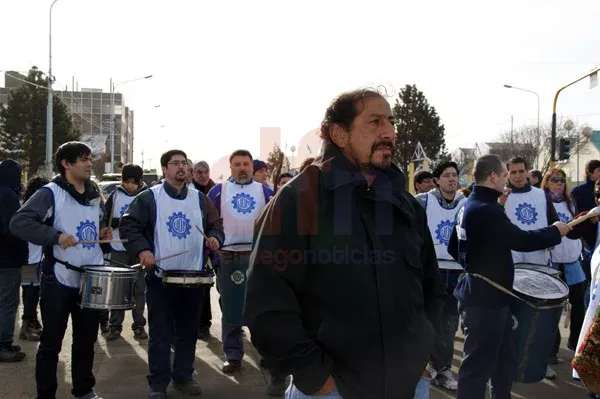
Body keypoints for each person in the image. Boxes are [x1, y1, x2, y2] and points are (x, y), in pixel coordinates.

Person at [245, 88, 447, 399]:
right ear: (339, 134)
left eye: (390, 122)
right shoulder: (299, 201)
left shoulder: (405, 205)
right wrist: (316, 378)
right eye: (375, 122)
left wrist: (431, 354)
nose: (389, 132)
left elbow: (432, 289)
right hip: (333, 390)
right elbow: (268, 304)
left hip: (410, 384)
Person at [447, 154, 571, 399]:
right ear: (493, 177)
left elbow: (454, 247)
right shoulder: (485, 210)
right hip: (484, 303)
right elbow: (520, 240)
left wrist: (478, 265)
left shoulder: (475, 205)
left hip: (494, 299)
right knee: (477, 368)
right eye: (505, 174)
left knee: (504, 363)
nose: (508, 179)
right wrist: (555, 231)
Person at [10, 142, 113, 399]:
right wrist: (55, 236)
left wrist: (103, 234)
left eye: (90, 158)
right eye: (83, 159)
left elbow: (92, 226)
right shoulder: (50, 193)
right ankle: (46, 395)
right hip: (58, 278)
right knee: (51, 343)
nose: (90, 163)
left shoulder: (94, 193)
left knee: (86, 341)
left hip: (90, 277)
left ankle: (83, 390)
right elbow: (19, 222)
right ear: (66, 164)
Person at [119, 149, 224, 399]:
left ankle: (183, 377)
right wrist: (142, 250)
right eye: (174, 163)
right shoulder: (149, 198)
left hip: (194, 278)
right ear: (164, 169)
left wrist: (214, 239)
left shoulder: (200, 199)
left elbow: (215, 225)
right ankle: (158, 383)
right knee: (160, 334)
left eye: (184, 163)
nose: (181, 167)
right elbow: (129, 225)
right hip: (161, 278)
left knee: (188, 332)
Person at [206, 150, 274, 375]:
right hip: (227, 258)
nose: (242, 168)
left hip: (257, 258)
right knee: (231, 309)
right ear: (231, 167)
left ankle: (265, 352)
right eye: (238, 164)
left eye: (246, 164)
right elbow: (210, 223)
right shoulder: (218, 191)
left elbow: (275, 224)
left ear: (252, 167)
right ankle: (233, 355)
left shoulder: (265, 191)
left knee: (260, 308)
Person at [414, 161, 465, 393]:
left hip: (455, 273)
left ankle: (442, 369)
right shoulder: (422, 202)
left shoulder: (466, 204)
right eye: (446, 175)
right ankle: (419, 366)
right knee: (423, 322)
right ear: (436, 180)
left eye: (454, 175)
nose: (452, 179)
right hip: (428, 272)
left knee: (448, 324)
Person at [102, 164, 148, 341]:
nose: (129, 185)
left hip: (138, 249)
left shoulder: (146, 197)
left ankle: (139, 325)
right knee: (118, 288)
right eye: (126, 181)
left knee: (139, 289)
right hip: (118, 247)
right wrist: (111, 224)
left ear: (139, 181)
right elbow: (104, 218)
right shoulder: (115, 195)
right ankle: (115, 325)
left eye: (133, 182)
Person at [0, 159, 28, 362]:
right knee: (8, 303)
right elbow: (13, 229)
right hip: (7, 259)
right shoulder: (8, 196)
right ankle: (4, 345)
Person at [19, 176, 50, 342]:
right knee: (30, 292)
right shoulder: (29, 209)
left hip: (36, 257)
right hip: (30, 258)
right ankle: (27, 324)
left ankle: (32, 321)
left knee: (33, 291)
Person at [191, 160, 217, 340]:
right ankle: (196, 323)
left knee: (208, 286)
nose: (203, 175)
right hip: (193, 247)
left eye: (206, 171)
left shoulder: (216, 191)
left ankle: (205, 323)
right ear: (193, 174)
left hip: (214, 245)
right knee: (196, 286)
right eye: (199, 172)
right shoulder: (188, 192)